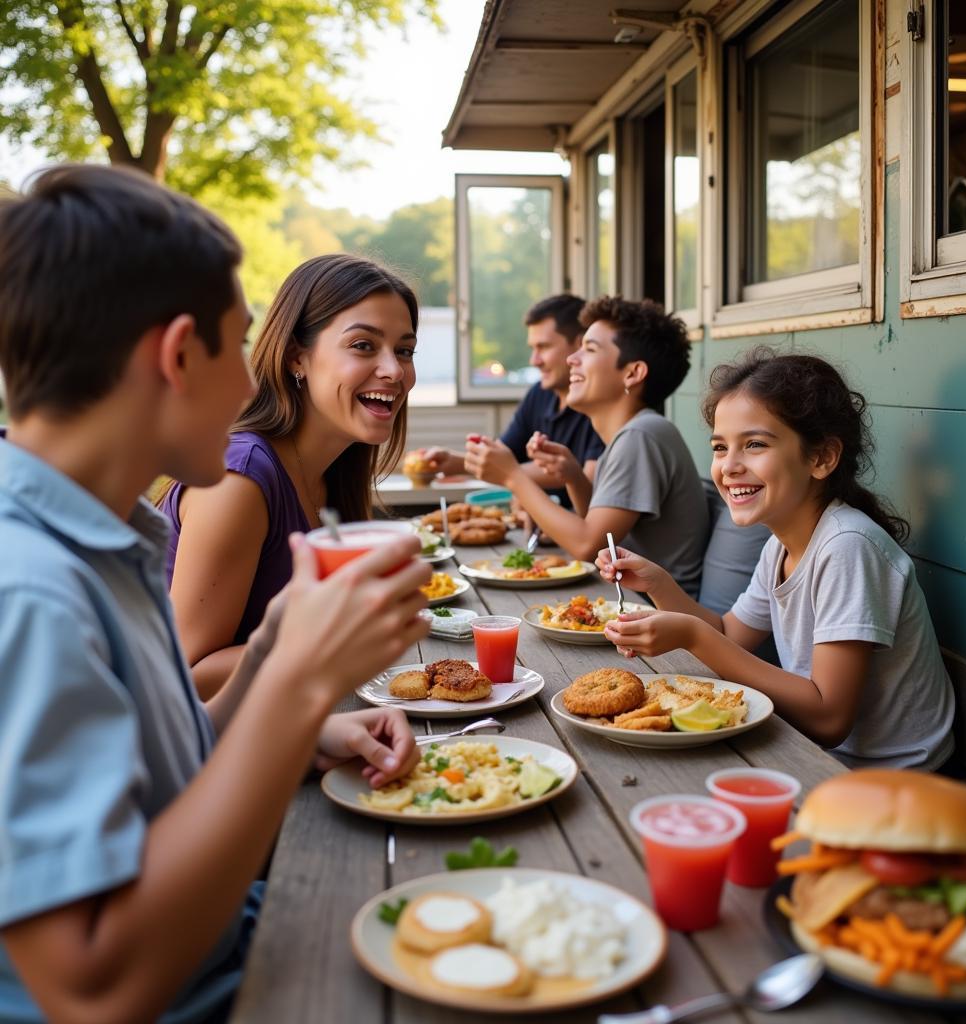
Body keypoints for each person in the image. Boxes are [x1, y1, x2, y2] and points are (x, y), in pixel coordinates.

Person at [0, 164, 430, 1023]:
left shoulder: (109, 538)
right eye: (239, 346)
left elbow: (174, 763)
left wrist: (286, 672)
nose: (248, 382)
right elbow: (94, 992)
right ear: (175, 355)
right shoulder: (30, 593)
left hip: (242, 938)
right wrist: (300, 683)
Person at [599, 348, 955, 770]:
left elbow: (828, 718)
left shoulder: (847, 547)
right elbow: (730, 634)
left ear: (821, 458)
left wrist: (694, 636)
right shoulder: (781, 544)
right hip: (819, 757)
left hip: (893, 782)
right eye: (719, 447)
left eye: (754, 444)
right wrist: (659, 585)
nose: (729, 466)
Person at [159, 254, 418, 698]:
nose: (394, 370)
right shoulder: (238, 480)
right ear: (298, 356)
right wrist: (337, 635)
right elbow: (184, 676)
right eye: (363, 345)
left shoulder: (337, 470)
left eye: (405, 351)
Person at [465, 296, 709, 597]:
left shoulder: (641, 436)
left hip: (659, 622)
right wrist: (574, 477)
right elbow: (601, 531)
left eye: (590, 349)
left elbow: (587, 544)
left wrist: (512, 477)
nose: (572, 359)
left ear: (632, 373)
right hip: (629, 604)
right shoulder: (631, 435)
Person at [424, 293, 604, 511]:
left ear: (579, 345)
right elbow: (501, 457)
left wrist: (507, 472)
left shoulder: (601, 404)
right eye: (532, 348)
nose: (534, 360)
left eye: (544, 347)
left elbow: (589, 487)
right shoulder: (540, 393)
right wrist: (458, 462)